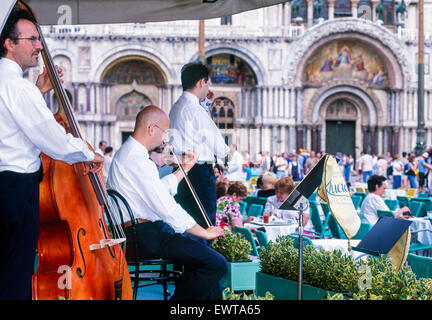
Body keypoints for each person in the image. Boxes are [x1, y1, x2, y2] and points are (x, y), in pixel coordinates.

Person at [0, 9, 104, 300]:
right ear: (9, 43)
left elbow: (14, 125)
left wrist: (38, 90)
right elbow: (50, 136)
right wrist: (87, 153)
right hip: (16, 191)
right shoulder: (18, 88)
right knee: (14, 271)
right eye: (32, 39)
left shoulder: (13, 86)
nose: (39, 45)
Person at [107, 105, 227, 300]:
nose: (165, 139)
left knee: (204, 263)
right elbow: (167, 208)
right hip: (147, 237)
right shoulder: (137, 160)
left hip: (140, 235)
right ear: (152, 129)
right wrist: (204, 232)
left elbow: (157, 191)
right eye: (165, 133)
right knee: (216, 264)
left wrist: (184, 169)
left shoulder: (127, 156)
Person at [169, 62, 229, 243]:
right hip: (199, 173)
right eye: (208, 84)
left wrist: (206, 104)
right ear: (202, 82)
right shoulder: (195, 110)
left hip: (182, 172)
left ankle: (187, 268)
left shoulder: (177, 107)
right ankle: (202, 268)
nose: (208, 88)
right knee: (204, 226)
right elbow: (221, 148)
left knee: (186, 225)